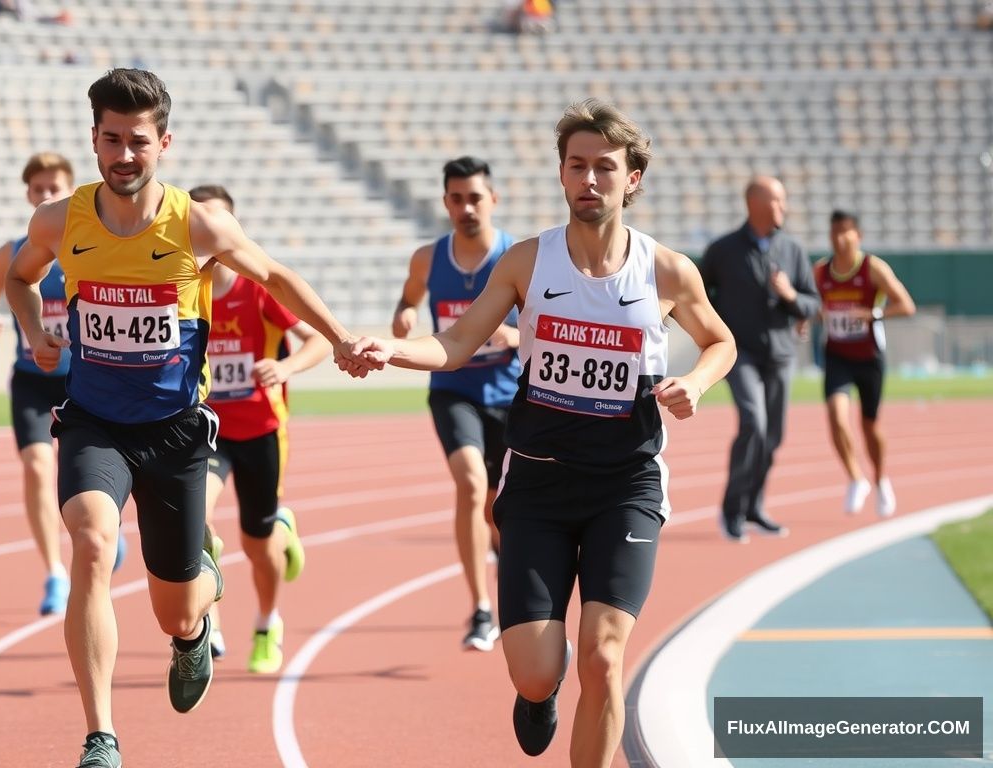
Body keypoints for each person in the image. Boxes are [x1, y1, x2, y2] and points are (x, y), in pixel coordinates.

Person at [343, 99, 735, 765]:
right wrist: (391, 350)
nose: (589, 180)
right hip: (537, 481)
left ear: (631, 178)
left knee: (604, 658)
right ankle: (536, 694)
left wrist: (695, 383)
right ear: (560, 175)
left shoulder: (665, 271)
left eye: (604, 168)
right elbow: (460, 342)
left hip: (626, 485)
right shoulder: (528, 262)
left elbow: (721, 340)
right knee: (535, 669)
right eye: (576, 166)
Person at [5, 68, 369, 768]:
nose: (123, 155)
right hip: (95, 422)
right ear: (94, 140)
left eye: (137, 141)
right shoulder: (61, 220)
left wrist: (341, 335)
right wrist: (34, 330)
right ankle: (101, 737)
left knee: (175, 608)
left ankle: (199, 610)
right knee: (89, 540)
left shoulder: (196, 223)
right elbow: (20, 279)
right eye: (111, 140)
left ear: (162, 143)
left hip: (173, 432)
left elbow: (278, 277)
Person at [0, 152, 127, 617]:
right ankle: (55, 571)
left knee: (88, 478)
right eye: (37, 190)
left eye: (53, 188)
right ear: (28, 195)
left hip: (83, 383)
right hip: (31, 382)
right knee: (39, 467)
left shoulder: (90, 246)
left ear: (69, 190)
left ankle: (105, 532)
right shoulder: (15, 250)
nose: (45, 196)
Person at [186, 184, 327, 673]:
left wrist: (284, 369)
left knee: (257, 541)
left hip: (262, 431)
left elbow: (316, 343)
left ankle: (268, 622)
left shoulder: (258, 290)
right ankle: (212, 625)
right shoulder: (184, 286)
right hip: (207, 430)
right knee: (192, 518)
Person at [391, 156, 519, 652]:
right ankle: (482, 608)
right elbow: (407, 300)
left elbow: (543, 326)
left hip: (510, 396)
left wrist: (514, 334)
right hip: (453, 391)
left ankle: (512, 582)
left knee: (501, 507)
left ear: (493, 200)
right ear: (446, 202)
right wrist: (403, 317)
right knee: (470, 485)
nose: (466, 208)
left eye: (475, 198)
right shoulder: (428, 258)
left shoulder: (516, 257)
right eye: (457, 198)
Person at [700, 176, 820, 542]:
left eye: (784, 201)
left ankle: (754, 505)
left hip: (782, 355)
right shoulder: (723, 250)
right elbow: (699, 296)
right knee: (754, 422)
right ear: (755, 203)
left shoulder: (794, 250)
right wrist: (715, 333)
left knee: (773, 435)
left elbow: (812, 303)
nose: (783, 208)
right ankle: (732, 510)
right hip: (740, 354)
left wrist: (790, 298)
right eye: (777, 201)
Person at [813, 210, 915, 517]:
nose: (840, 239)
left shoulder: (873, 269)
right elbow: (811, 305)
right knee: (836, 415)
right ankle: (856, 478)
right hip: (837, 354)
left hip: (869, 356)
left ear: (858, 235)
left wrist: (872, 314)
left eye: (846, 232)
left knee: (869, 426)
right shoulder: (820, 271)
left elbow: (906, 305)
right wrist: (808, 319)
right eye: (834, 233)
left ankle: (881, 479)